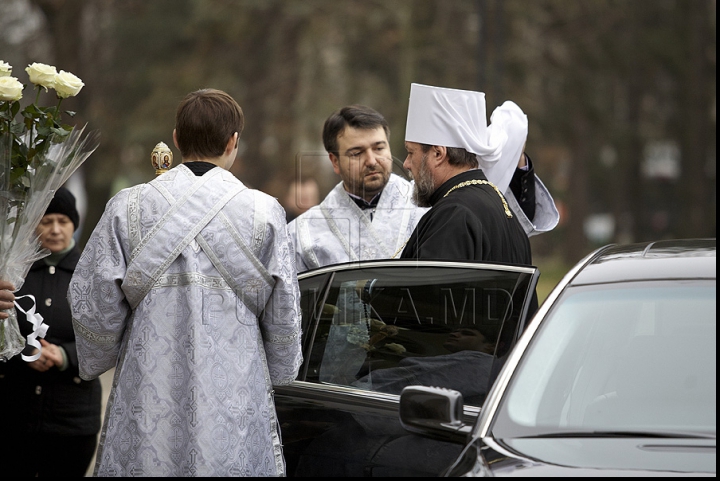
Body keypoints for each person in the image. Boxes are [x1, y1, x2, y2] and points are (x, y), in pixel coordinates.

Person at [68, 89, 303, 476]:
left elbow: (93, 303)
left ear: (176, 139)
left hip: (149, 390)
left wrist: (100, 355)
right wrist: (281, 371)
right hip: (234, 392)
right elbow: (285, 314)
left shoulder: (128, 207)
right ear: (234, 142)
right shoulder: (264, 212)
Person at [288, 104, 558, 273]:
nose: (372, 160)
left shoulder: (436, 203)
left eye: (379, 148)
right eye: (357, 152)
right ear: (334, 161)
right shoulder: (304, 233)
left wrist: (515, 162)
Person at [0, 187, 102, 477]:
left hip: (72, 420)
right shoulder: (12, 272)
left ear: (74, 224)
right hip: (13, 417)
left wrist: (66, 355)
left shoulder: (94, 273)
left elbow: (112, 335)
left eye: (63, 221)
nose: (55, 229)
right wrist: (24, 354)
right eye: (46, 221)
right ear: (34, 224)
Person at [400, 83, 535, 266]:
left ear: (438, 154)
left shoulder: (453, 214)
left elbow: (429, 291)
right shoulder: (500, 206)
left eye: (410, 152)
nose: (406, 164)